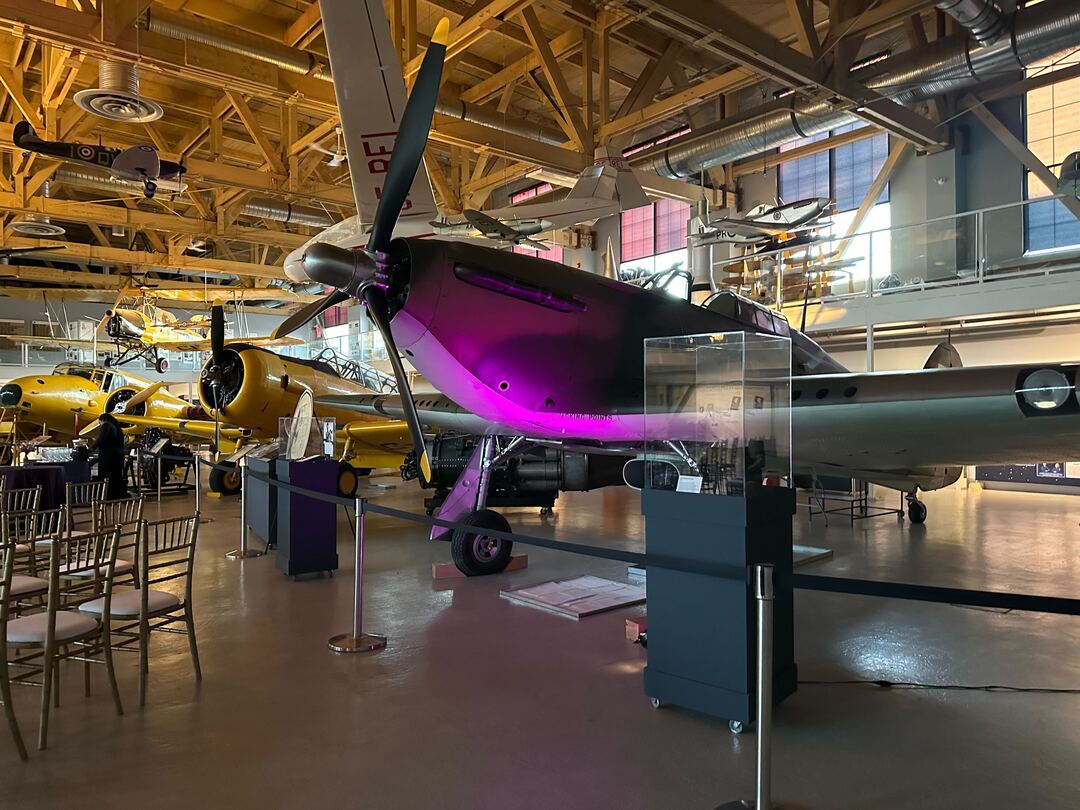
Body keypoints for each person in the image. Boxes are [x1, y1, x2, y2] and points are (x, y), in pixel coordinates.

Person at [92, 412, 129, 500]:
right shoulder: (117, 426)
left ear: (102, 420)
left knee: (107, 476)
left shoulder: (106, 425)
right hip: (118, 456)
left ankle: (108, 495)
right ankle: (117, 495)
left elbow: (101, 439)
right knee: (116, 476)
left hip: (109, 457)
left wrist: (92, 448)